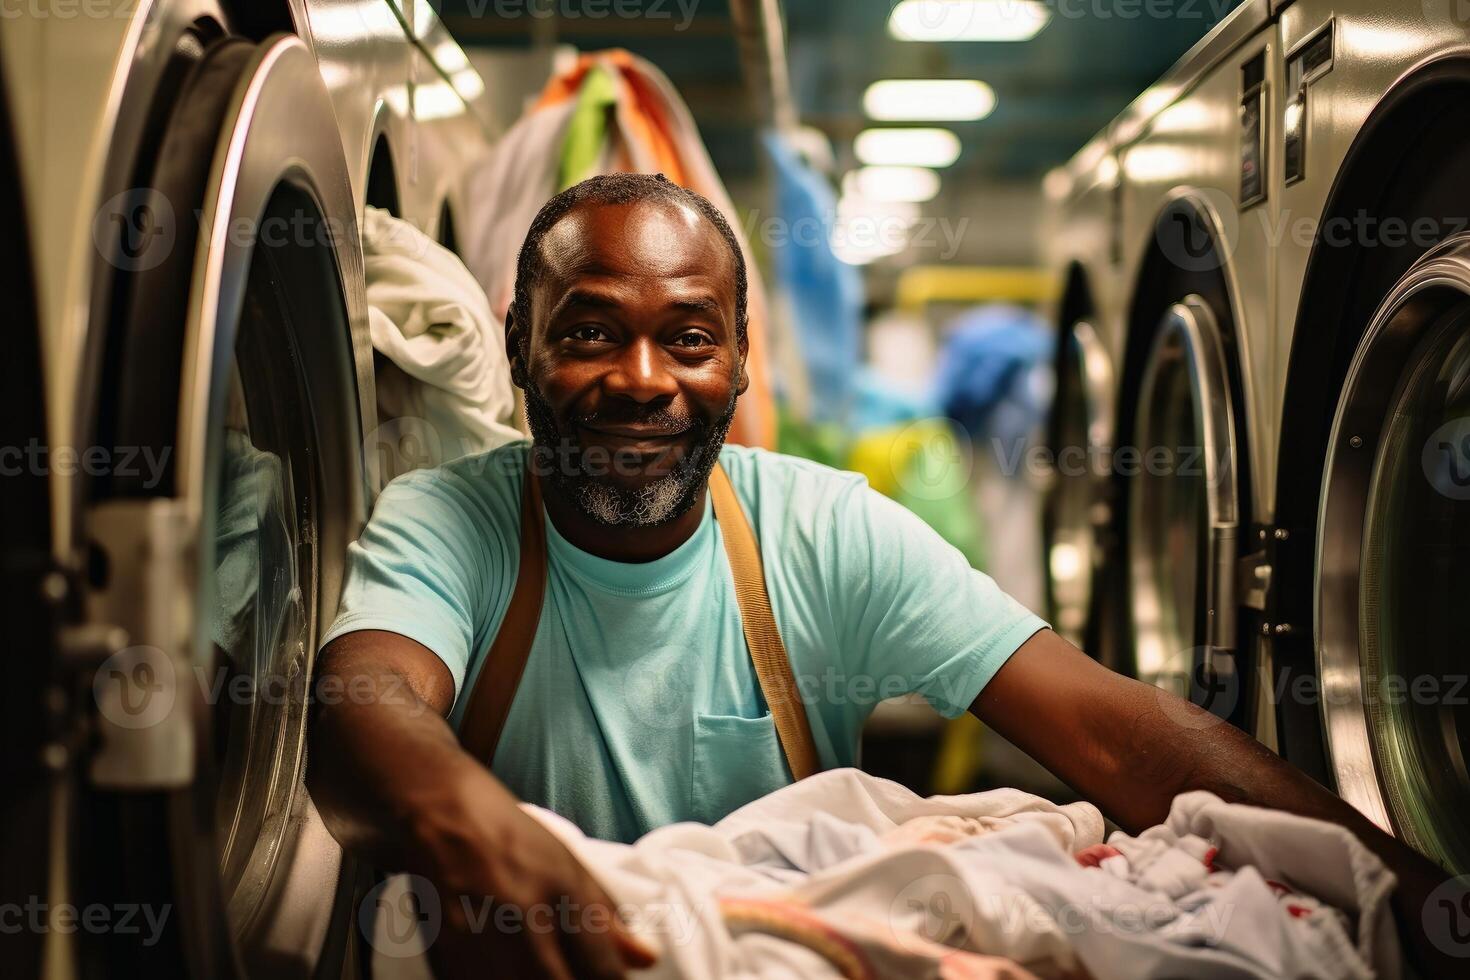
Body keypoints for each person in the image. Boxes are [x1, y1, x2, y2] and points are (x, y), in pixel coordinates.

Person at [308, 173, 1453, 979]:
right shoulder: (455, 522)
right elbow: (362, 701)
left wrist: (1417, 897)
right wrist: (467, 819)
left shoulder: (821, 531)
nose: (642, 378)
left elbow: (1116, 733)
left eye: (690, 338)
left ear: (739, 365)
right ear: (522, 353)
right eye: (592, 332)